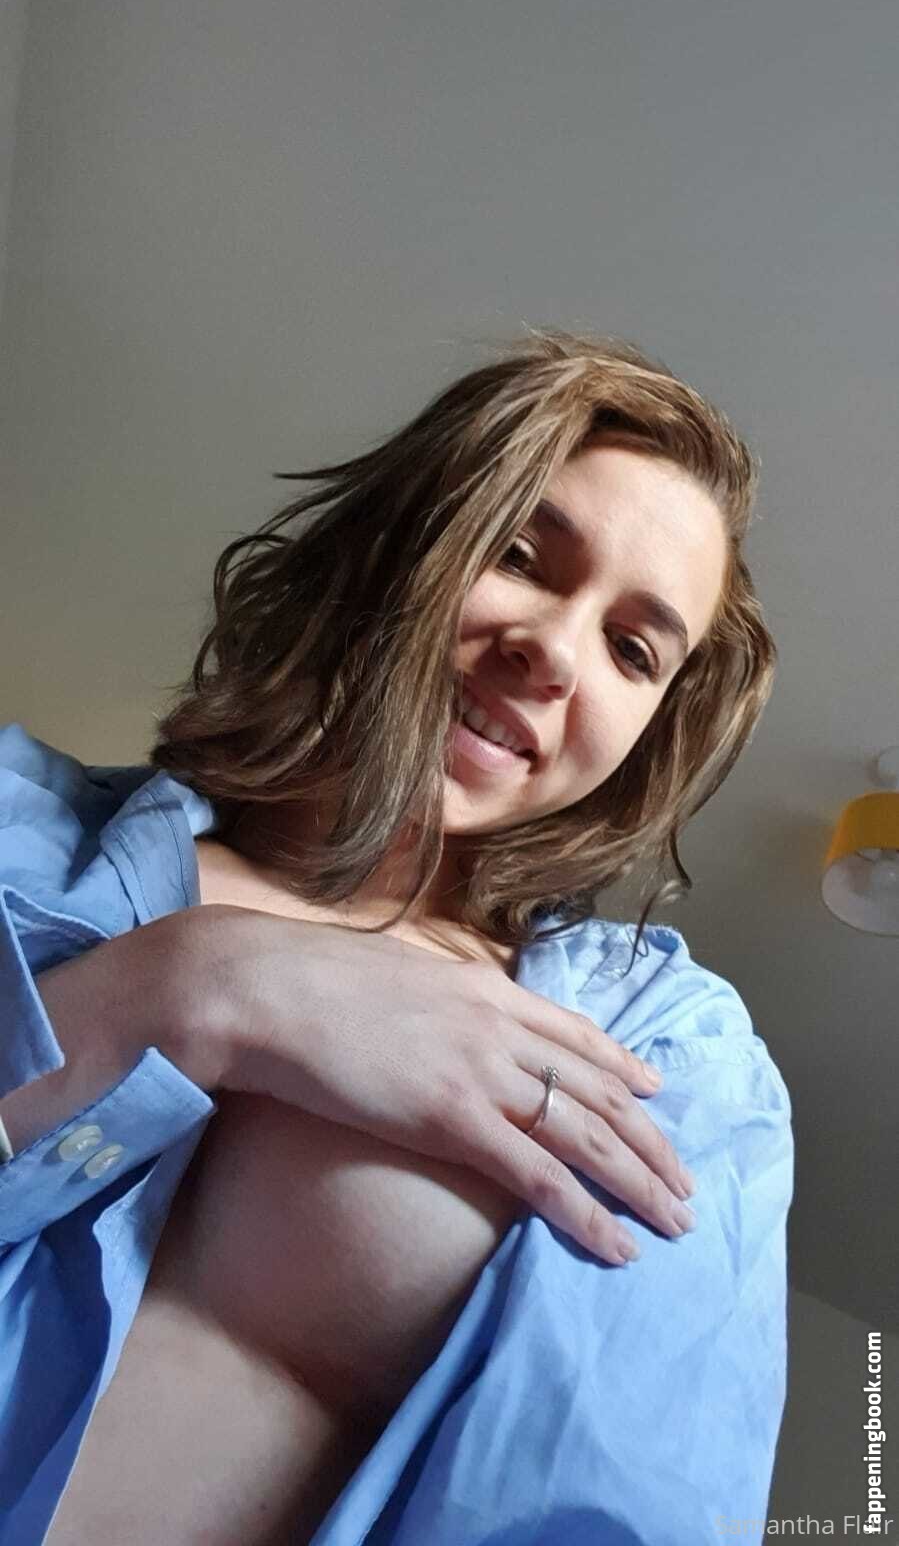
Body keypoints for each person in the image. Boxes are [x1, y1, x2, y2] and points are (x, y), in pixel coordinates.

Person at [0, 328, 793, 1545]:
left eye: (632, 649)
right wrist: (189, 987)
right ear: (402, 539)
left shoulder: (666, 1049)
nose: (552, 651)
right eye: (519, 554)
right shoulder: (15, 825)